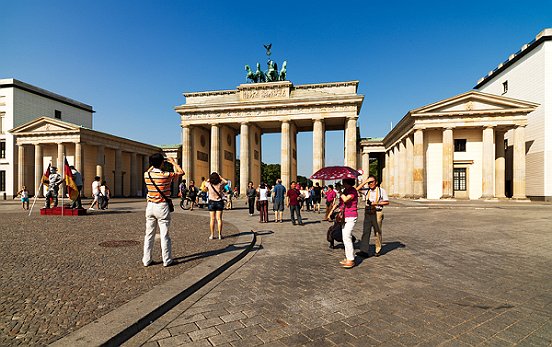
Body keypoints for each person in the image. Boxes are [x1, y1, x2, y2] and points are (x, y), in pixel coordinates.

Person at [143, 154, 184, 267]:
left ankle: (146, 260)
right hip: (162, 206)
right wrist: (173, 162)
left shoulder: (147, 174)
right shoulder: (165, 175)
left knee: (149, 234)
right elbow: (181, 172)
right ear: (162, 163)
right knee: (164, 234)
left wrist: (154, 164)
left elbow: (150, 169)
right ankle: (167, 260)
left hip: (150, 206)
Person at [356, 175, 389, 258]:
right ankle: (364, 250)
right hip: (368, 213)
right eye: (369, 182)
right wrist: (365, 182)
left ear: (376, 182)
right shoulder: (367, 190)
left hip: (377, 212)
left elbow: (387, 202)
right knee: (365, 232)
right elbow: (356, 189)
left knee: (377, 232)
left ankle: (378, 250)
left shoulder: (382, 191)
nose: (370, 184)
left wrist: (377, 203)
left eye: (372, 182)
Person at [337, 178, 359, 269]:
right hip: (345, 216)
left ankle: (351, 259)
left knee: (347, 236)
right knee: (344, 237)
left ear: (348, 183)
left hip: (351, 216)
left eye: (344, 182)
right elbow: (342, 203)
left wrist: (340, 192)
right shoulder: (346, 190)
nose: (343, 184)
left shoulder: (353, 191)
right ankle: (348, 257)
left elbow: (346, 200)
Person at [205, 172, 227, 240]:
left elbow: (206, 183)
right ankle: (220, 235)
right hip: (219, 202)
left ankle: (212, 235)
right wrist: (220, 177)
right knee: (219, 219)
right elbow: (226, 182)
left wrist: (210, 179)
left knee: (212, 219)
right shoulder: (220, 184)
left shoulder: (208, 184)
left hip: (211, 202)